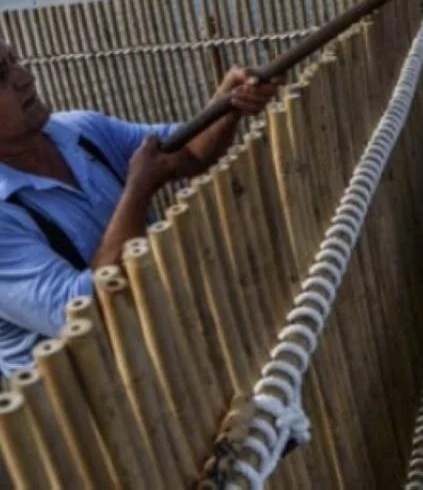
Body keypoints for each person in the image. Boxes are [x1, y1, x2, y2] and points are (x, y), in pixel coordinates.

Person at [0, 41, 278, 377]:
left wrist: (227, 105)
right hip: (85, 408)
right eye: (2, 76)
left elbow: (187, 151)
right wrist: (139, 189)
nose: (26, 78)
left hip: (158, 357)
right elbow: (87, 312)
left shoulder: (79, 131)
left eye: (15, 61)